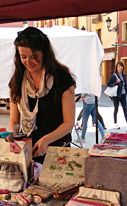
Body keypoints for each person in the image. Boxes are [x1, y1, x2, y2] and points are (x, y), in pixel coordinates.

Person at [8, 27, 76, 163]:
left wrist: (46, 140)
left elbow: (69, 123)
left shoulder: (61, 78)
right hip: (28, 152)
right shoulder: (17, 81)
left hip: (58, 152)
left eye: (34, 57)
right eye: (23, 57)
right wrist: (11, 136)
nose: (28, 62)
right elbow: (14, 122)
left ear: (44, 53)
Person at [107, 61, 127, 130]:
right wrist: (116, 82)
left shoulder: (124, 75)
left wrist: (125, 93)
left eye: (121, 66)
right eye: (119, 66)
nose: (120, 68)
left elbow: (124, 84)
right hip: (116, 95)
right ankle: (115, 123)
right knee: (116, 109)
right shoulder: (114, 76)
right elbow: (108, 84)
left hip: (123, 94)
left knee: (125, 109)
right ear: (117, 67)